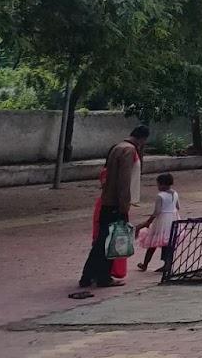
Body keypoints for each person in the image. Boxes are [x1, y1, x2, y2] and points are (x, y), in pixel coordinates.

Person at [77, 124, 147, 292]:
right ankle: (103, 277)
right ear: (143, 139)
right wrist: (124, 205)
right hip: (116, 203)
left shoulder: (117, 147)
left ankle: (88, 276)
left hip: (107, 201)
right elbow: (124, 180)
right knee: (110, 243)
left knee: (101, 242)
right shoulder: (129, 151)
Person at [135, 172, 179, 273]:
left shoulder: (160, 196)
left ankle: (145, 264)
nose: (157, 186)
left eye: (158, 184)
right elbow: (177, 207)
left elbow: (157, 211)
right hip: (173, 218)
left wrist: (148, 221)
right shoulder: (175, 193)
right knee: (168, 243)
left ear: (162, 184)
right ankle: (167, 264)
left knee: (153, 241)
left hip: (161, 220)